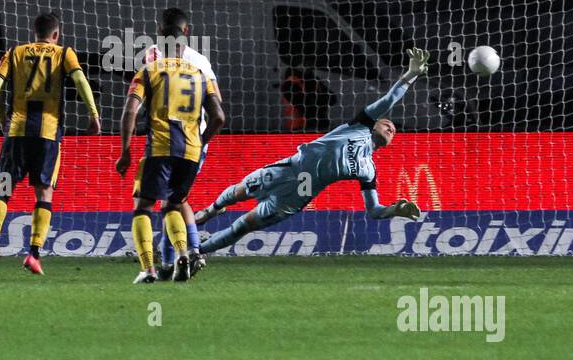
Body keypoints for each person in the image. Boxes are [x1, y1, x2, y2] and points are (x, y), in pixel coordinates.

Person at [196, 49, 429, 255]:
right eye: (387, 123)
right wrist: (411, 75)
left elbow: (375, 211)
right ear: (374, 122)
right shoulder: (359, 125)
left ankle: (195, 252)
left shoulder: (368, 171)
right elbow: (390, 98)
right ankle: (212, 209)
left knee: (242, 226)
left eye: (394, 131)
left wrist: (395, 210)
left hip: (301, 191)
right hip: (290, 168)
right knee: (240, 192)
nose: (392, 128)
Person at [0, 13, 102, 275]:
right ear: (56, 34)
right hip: (47, 134)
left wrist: (3, 118)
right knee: (44, 193)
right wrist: (93, 114)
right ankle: (33, 254)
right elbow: (81, 80)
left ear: (33, 32)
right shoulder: (64, 52)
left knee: (3, 188)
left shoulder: (15, 52)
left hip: (16, 133)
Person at [117, 34, 226, 283]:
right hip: (191, 147)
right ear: (184, 41)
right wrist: (201, 141)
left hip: (161, 145)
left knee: (143, 207)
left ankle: (148, 269)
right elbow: (219, 114)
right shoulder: (198, 69)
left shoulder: (150, 69)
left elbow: (130, 110)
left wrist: (125, 150)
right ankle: (183, 254)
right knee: (174, 203)